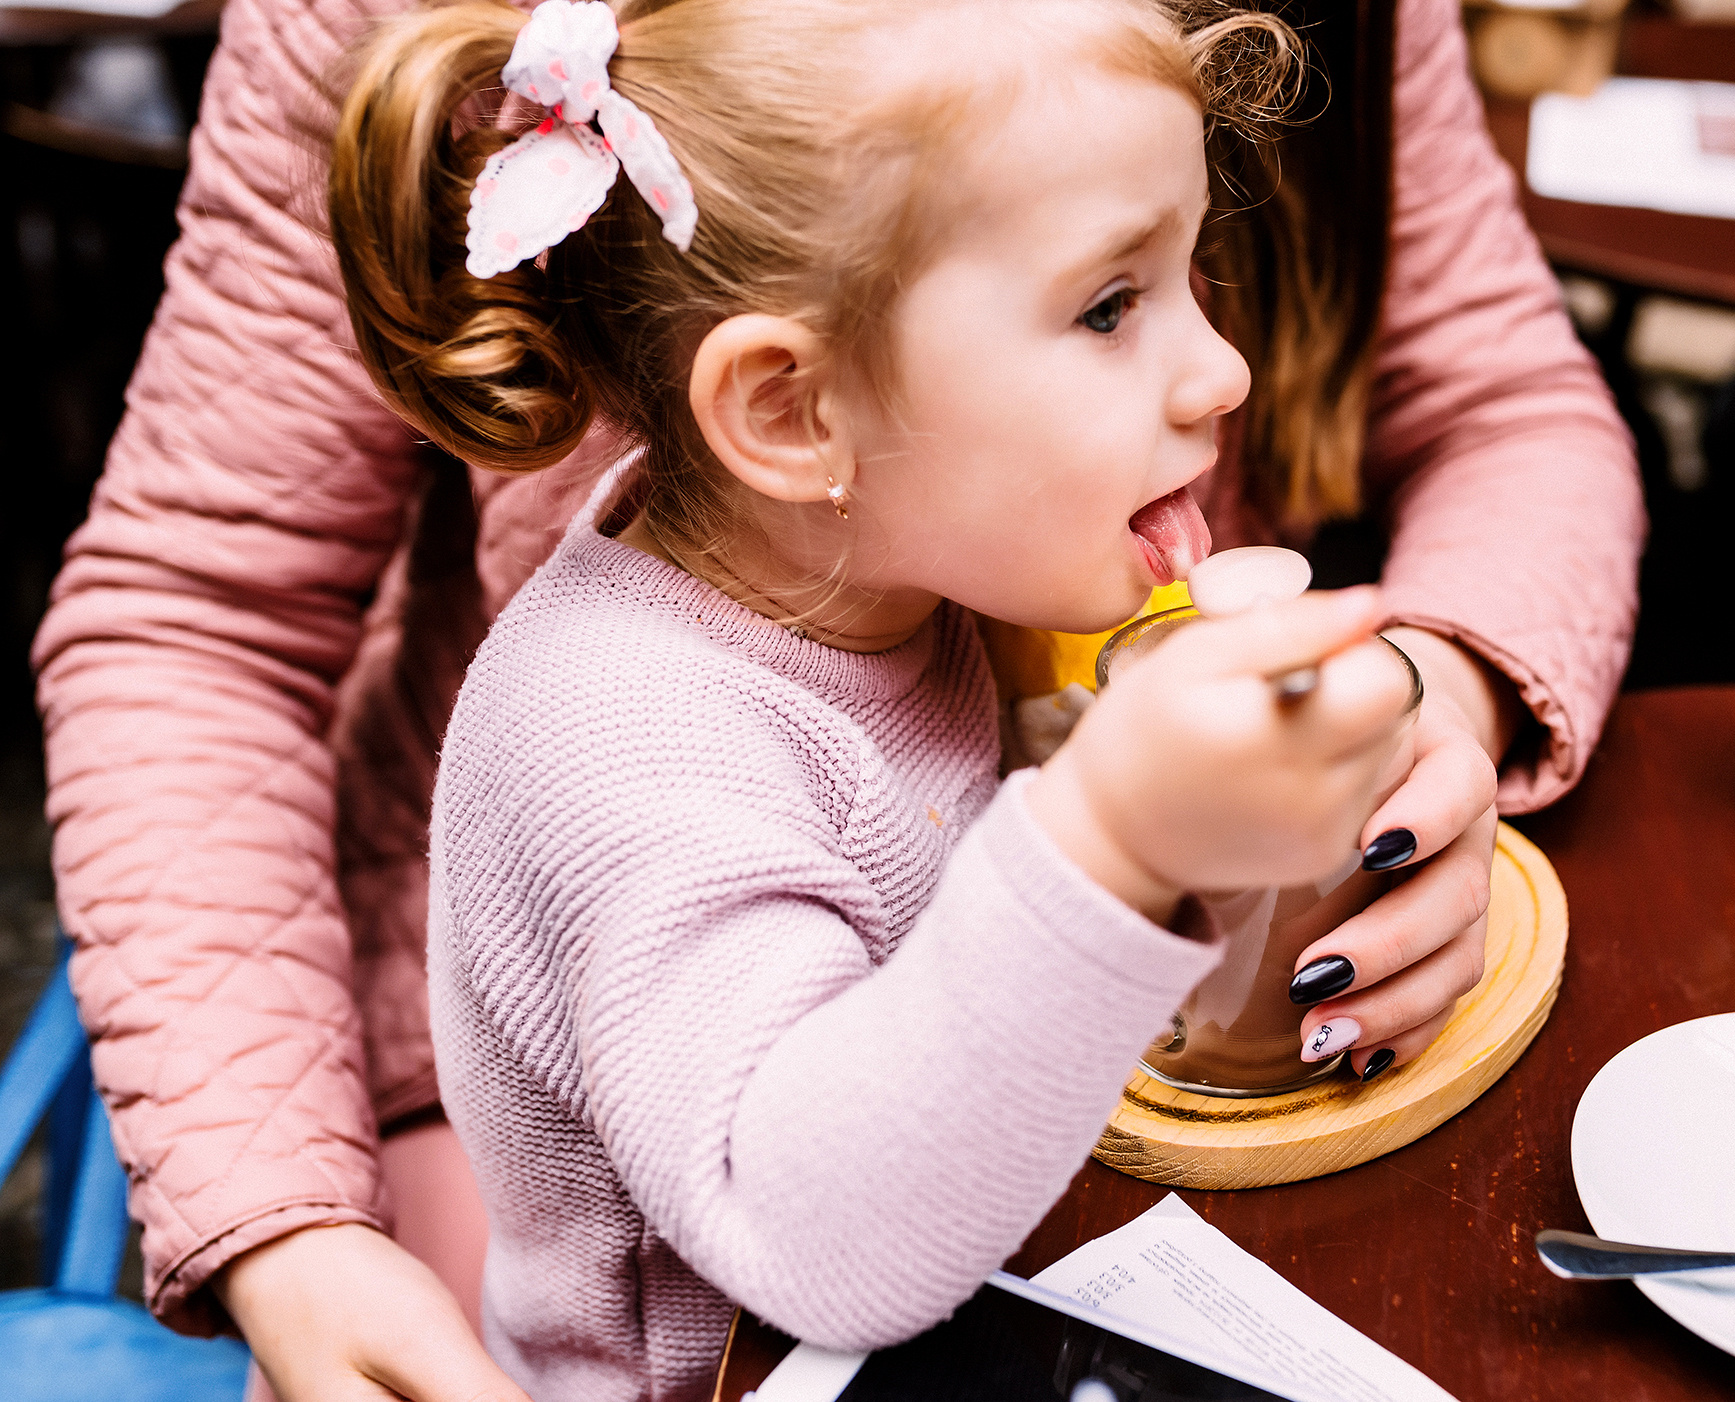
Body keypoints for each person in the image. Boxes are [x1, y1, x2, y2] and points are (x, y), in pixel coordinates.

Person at [31, 0, 1641, 1397]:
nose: (1224, 374)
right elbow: (812, 1231)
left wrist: (1445, 689)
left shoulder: (881, 585)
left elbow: (1507, 396)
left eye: (1199, 271)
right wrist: (1106, 833)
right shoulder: (643, 747)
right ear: (789, 408)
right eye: (1111, 302)